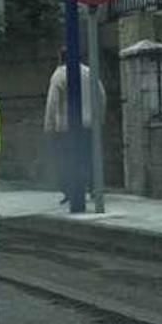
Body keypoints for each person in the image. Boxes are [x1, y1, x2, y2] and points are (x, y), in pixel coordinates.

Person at [44, 48, 106, 206]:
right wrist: (100, 118)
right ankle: (94, 187)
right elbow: (101, 95)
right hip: (89, 123)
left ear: (60, 58)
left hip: (67, 126)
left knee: (67, 159)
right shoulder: (89, 72)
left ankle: (71, 190)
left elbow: (52, 103)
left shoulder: (59, 75)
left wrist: (49, 126)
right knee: (88, 156)